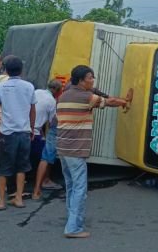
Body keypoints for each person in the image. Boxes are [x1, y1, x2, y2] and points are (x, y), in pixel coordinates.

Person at [56, 65, 131, 238]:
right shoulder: (85, 97)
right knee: (80, 188)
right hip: (76, 149)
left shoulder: (64, 95)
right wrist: (123, 102)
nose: (92, 80)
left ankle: (72, 219)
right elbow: (109, 102)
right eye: (90, 77)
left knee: (71, 186)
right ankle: (73, 228)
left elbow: (99, 95)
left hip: (63, 147)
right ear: (81, 80)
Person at [0, 56, 36, 210]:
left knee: (3, 167)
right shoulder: (29, 87)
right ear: (21, 70)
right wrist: (31, 127)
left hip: (7, 133)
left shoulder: (0, 87)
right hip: (24, 132)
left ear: (6, 70)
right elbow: (32, 110)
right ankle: (18, 198)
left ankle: (2, 201)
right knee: (22, 166)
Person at [31, 79, 64, 200]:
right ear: (56, 90)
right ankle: (45, 180)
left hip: (24, 129)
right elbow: (52, 122)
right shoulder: (51, 101)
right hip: (35, 132)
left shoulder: (37, 92)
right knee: (46, 156)